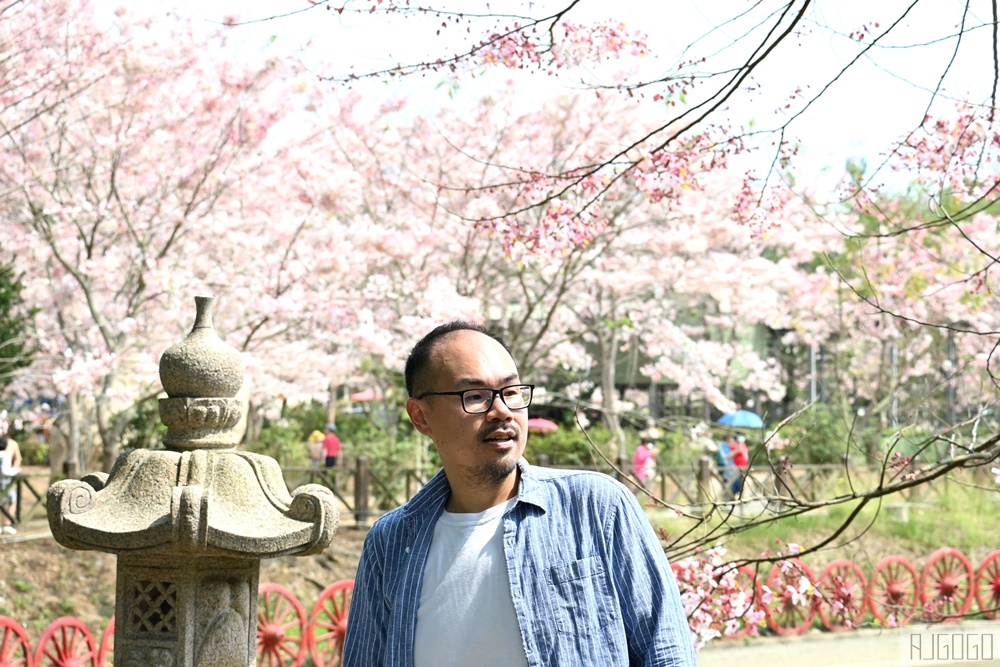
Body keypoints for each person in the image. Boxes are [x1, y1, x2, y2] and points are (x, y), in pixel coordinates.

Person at [343, 321, 695, 666]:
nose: (502, 411)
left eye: (511, 392)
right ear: (421, 417)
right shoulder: (390, 542)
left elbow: (667, 652)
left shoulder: (596, 507)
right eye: (475, 396)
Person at [0, 433, 22, 535]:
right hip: (5, 483)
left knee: (2, 503)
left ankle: (3, 525)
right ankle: (7, 524)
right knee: (12, 501)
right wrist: (16, 470)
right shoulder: (5, 455)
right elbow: (5, 471)